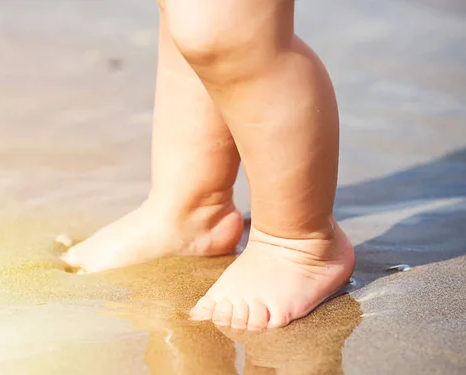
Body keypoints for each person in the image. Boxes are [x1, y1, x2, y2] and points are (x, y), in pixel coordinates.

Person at [58, 0, 355, 330]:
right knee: (188, 15)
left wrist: (293, 244)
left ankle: (296, 243)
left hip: (296, 246)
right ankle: (193, 205)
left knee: (226, 29)